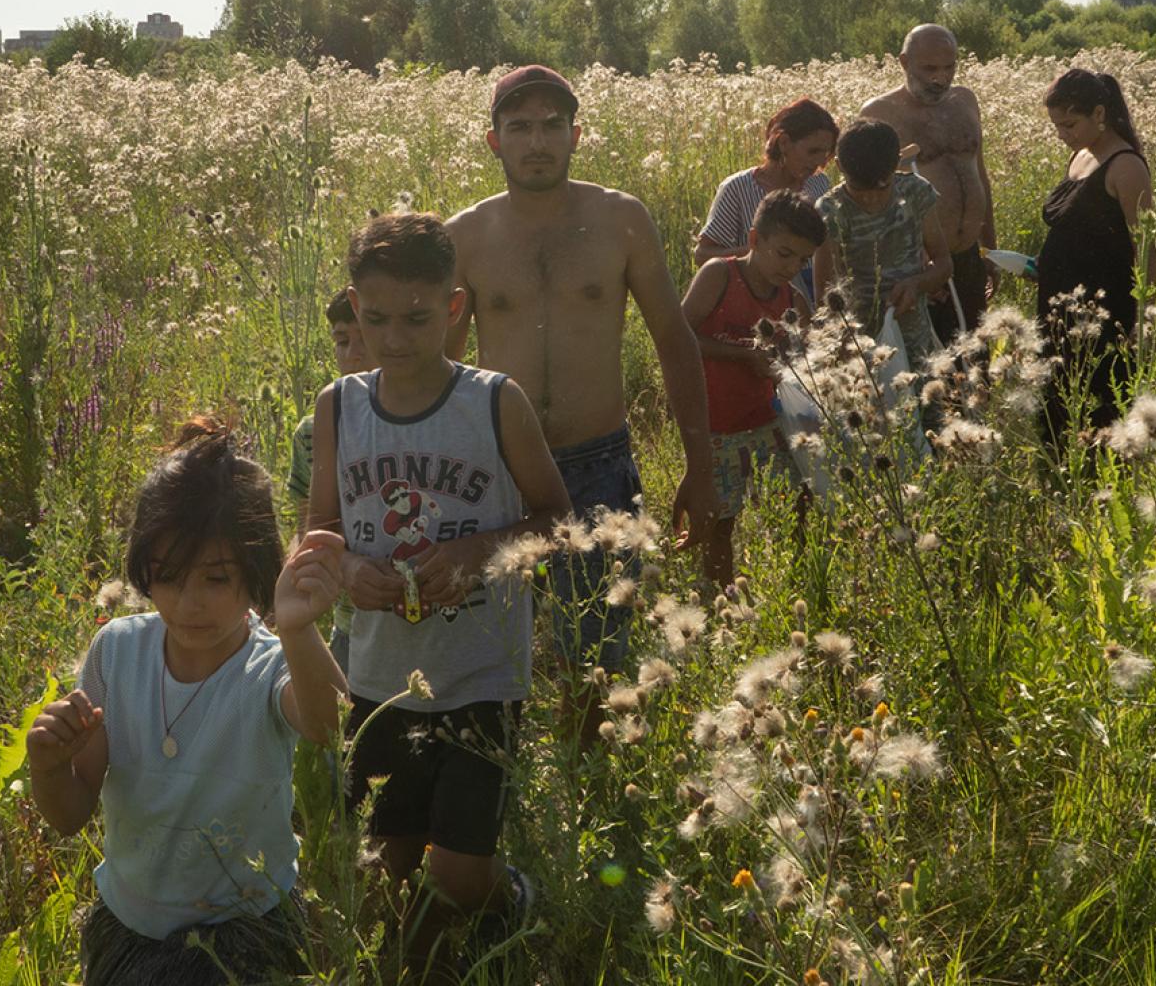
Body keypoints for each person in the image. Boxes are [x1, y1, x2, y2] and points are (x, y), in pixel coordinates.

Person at [307, 211, 572, 973]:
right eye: (377, 317)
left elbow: (555, 517)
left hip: (480, 673)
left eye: (418, 318)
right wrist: (347, 570)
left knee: (457, 875)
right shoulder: (338, 407)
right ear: (354, 307)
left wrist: (477, 549)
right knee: (385, 876)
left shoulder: (492, 401)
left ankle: (507, 896)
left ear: (454, 307)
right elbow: (316, 531)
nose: (395, 337)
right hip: (379, 681)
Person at [446, 64, 716, 746]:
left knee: (594, 656)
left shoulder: (620, 220)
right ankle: (504, 801)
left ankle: (582, 783)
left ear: (576, 135)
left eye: (551, 126)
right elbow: (441, 371)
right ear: (493, 141)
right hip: (497, 470)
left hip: (597, 467)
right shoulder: (465, 237)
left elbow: (674, 340)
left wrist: (700, 465)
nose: (536, 141)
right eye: (520, 127)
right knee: (490, 654)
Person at [27, 420, 347, 986]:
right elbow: (70, 815)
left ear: (256, 574)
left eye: (216, 579)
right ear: (144, 570)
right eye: (169, 577)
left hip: (245, 927)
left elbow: (327, 725)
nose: (189, 602)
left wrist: (299, 630)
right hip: (131, 923)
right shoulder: (118, 652)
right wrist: (48, 766)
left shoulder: (269, 665)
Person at [679, 189, 824, 584]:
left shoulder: (793, 298)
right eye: (784, 254)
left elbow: (809, 358)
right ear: (755, 239)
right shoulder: (720, 275)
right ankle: (720, 602)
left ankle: (798, 588)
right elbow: (680, 335)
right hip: (717, 427)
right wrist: (742, 356)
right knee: (719, 525)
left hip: (770, 424)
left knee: (800, 505)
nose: (792, 266)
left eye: (803, 259)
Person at [1034, 68, 1156, 445]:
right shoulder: (1081, 156)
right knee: (1057, 410)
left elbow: (1148, 250)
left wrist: (1146, 323)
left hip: (1104, 319)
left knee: (1101, 414)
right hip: (1060, 314)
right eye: (1056, 126)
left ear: (1099, 114)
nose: (1062, 135)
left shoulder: (1126, 167)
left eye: (1070, 124)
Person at [862, 24, 999, 344]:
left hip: (968, 259)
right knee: (929, 371)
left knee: (975, 363)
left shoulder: (966, 101)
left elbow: (980, 175)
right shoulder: (879, 113)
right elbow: (868, 198)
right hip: (918, 270)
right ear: (904, 62)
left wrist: (989, 250)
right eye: (930, 69)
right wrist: (920, 266)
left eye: (949, 67)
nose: (941, 77)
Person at [812, 118, 952, 376]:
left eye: (883, 187)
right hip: (859, 348)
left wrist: (917, 284)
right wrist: (842, 347)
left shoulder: (916, 193)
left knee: (928, 411)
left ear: (896, 164)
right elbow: (826, 296)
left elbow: (944, 264)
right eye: (859, 189)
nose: (871, 198)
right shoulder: (830, 212)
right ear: (839, 166)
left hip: (916, 343)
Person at [287, 288, 375, 673]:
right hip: (350, 625)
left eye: (365, 339)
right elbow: (308, 530)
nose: (353, 354)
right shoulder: (311, 432)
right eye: (342, 340)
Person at [692, 97, 839, 265]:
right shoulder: (739, 188)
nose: (819, 162)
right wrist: (760, 251)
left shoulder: (820, 183)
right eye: (813, 151)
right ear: (784, 143)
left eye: (825, 154)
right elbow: (702, 255)